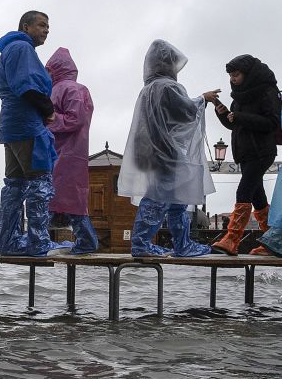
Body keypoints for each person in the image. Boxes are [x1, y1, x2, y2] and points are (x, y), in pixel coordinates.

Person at [119, 40, 217, 257]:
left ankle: (175, 244)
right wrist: (203, 98)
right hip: (166, 152)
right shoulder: (169, 86)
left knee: (172, 198)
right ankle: (151, 245)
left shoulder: (147, 90)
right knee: (164, 198)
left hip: (148, 152)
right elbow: (186, 112)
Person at [0, 11, 64, 257]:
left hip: (11, 125)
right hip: (27, 123)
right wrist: (48, 109)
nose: (46, 30)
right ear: (26, 26)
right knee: (39, 182)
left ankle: (9, 242)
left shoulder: (10, 50)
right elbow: (26, 86)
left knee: (14, 184)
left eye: (48, 26)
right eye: (42, 25)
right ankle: (38, 242)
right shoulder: (23, 48)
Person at [207, 55, 281, 255]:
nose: (233, 79)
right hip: (246, 152)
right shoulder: (240, 96)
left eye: (236, 74)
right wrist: (221, 112)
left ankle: (232, 239)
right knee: (258, 197)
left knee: (244, 191)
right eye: (230, 75)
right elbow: (234, 125)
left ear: (248, 74)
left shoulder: (267, 91)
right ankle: (272, 244)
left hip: (262, 151)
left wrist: (240, 116)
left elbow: (271, 122)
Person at [46, 48, 99, 254]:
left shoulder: (72, 90)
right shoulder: (67, 89)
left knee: (59, 197)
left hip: (68, 153)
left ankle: (40, 239)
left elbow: (75, 118)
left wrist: (48, 120)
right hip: (63, 152)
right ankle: (85, 241)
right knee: (66, 198)